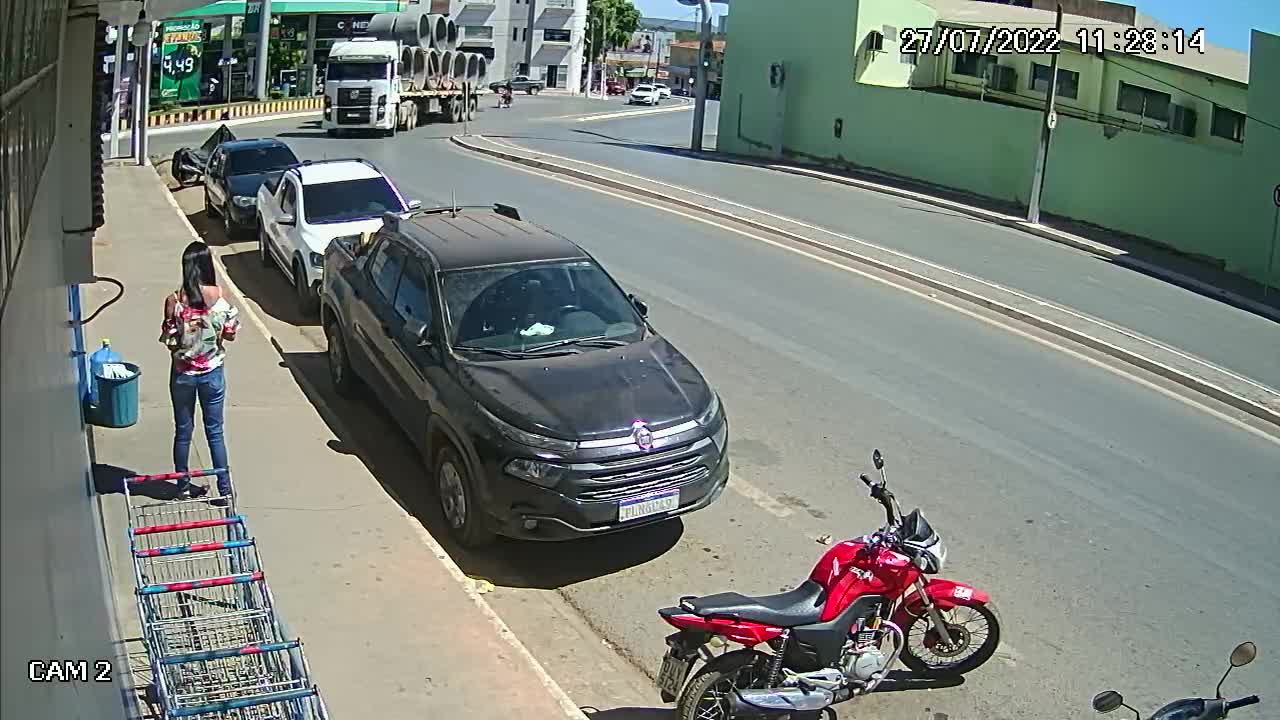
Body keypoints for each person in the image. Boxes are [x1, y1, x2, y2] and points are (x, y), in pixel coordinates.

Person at [159, 241, 240, 503]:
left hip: (182, 375)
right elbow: (230, 334)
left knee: (183, 431)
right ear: (207, 266)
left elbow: (170, 339)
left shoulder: (174, 300)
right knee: (214, 432)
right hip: (212, 374)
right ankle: (224, 489)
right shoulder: (220, 297)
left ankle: (182, 486)